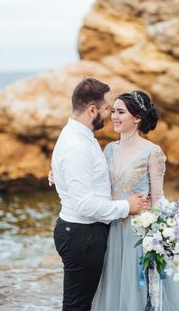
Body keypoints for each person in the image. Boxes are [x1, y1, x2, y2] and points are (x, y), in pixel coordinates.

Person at [91, 91, 179, 311]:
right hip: (112, 231)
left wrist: (164, 237)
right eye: (113, 111)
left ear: (137, 117)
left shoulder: (153, 152)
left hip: (139, 236)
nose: (114, 117)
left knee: (142, 295)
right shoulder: (109, 149)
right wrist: (58, 173)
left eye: (121, 112)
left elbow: (158, 198)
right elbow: (94, 182)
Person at [51, 78, 149, 311]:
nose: (109, 115)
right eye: (107, 109)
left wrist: (57, 173)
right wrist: (127, 206)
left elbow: (83, 178)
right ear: (91, 109)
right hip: (82, 235)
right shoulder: (77, 146)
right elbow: (85, 204)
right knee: (78, 306)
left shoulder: (79, 136)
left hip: (83, 232)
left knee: (85, 303)